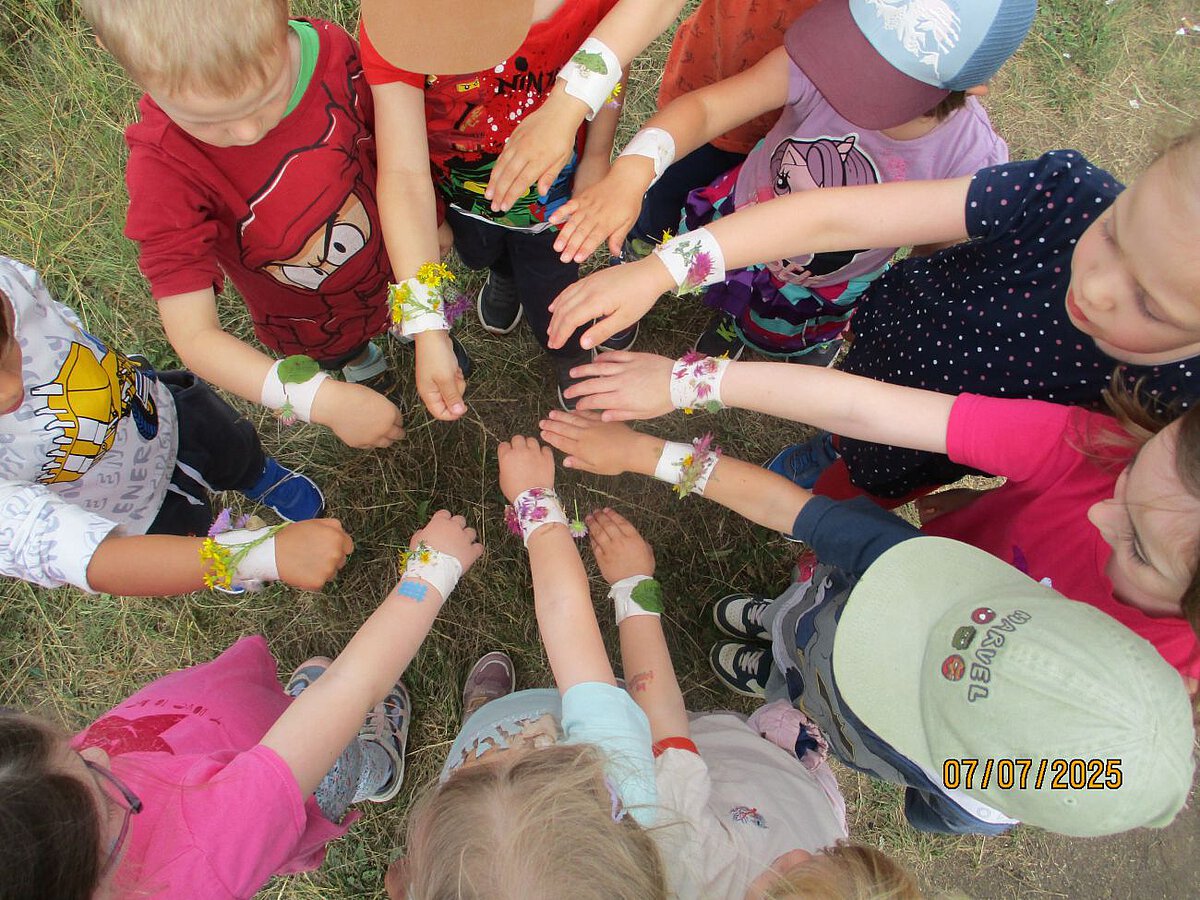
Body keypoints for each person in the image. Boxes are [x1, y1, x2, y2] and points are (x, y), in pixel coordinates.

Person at [536, 411, 1196, 836]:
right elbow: (789, 505)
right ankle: (775, 632)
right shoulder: (922, 567)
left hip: (842, 713)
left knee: (795, 681)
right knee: (799, 625)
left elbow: (940, 807)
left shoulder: (993, 793)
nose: (1101, 523)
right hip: (837, 640)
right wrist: (648, 452)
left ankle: (775, 670)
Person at [548, 131, 1200, 500]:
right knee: (831, 434)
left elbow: (867, 411)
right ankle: (815, 457)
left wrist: (680, 383)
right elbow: (837, 214)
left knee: (830, 499)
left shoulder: (1173, 407)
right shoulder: (1066, 195)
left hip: (909, 443)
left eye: (1150, 302)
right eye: (1114, 231)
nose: (1100, 287)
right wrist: (665, 267)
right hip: (884, 336)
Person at [553, 349, 1200, 688]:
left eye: (1140, 547)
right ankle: (780, 635)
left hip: (895, 683)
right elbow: (799, 499)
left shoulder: (1151, 691)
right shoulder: (1097, 452)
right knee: (810, 607)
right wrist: (668, 411)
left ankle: (794, 675)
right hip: (895, 570)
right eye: (1132, 474)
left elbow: (1041, 783)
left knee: (819, 676)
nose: (1097, 510)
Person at [0, 509, 482, 899]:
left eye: (74, 747)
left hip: (210, 728)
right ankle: (374, 767)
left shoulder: (40, 809)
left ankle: (295, 714)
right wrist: (433, 567)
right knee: (338, 756)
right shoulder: (212, 843)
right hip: (298, 780)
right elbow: (349, 687)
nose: (102, 754)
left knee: (297, 716)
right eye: (100, 787)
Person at [551, 0, 1023, 365]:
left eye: (891, 76)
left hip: (825, 280)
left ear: (974, 85)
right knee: (725, 282)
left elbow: (934, 250)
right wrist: (636, 166)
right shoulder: (819, 58)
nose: (855, 75)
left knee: (770, 323)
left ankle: (744, 329)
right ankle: (729, 313)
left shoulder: (971, 162)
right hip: (741, 219)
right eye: (863, 44)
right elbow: (707, 109)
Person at [79, 0, 408, 451]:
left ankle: (415, 326)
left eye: (269, 92)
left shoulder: (332, 51)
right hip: (308, 318)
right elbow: (194, 335)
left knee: (406, 309)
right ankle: (361, 361)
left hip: (393, 258)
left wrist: (429, 230)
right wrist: (320, 400)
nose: (250, 131)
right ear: (116, 54)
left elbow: (391, 144)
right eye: (205, 120)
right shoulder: (164, 169)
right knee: (339, 351)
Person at [388, 438, 667, 898]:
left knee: (489, 727)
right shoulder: (622, 776)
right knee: (602, 700)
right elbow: (565, 614)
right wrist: (534, 498)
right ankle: (534, 712)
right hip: (579, 714)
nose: (491, 757)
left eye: (473, 775)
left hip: (516, 732)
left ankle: (484, 715)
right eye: (525, 757)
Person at [0, 256, 350, 596]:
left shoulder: (5, 282)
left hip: (162, 410)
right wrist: (255, 557)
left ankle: (263, 478)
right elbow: (95, 560)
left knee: (234, 449)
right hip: (132, 512)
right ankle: (226, 544)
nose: (12, 390)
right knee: (189, 541)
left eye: (5, 349)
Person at [358, 0, 623, 411]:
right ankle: (505, 277)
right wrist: (426, 326)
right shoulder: (397, 19)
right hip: (463, 200)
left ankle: (568, 351)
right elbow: (403, 176)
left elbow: (612, 67)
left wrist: (596, 155)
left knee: (554, 287)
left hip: (551, 210)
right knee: (480, 252)